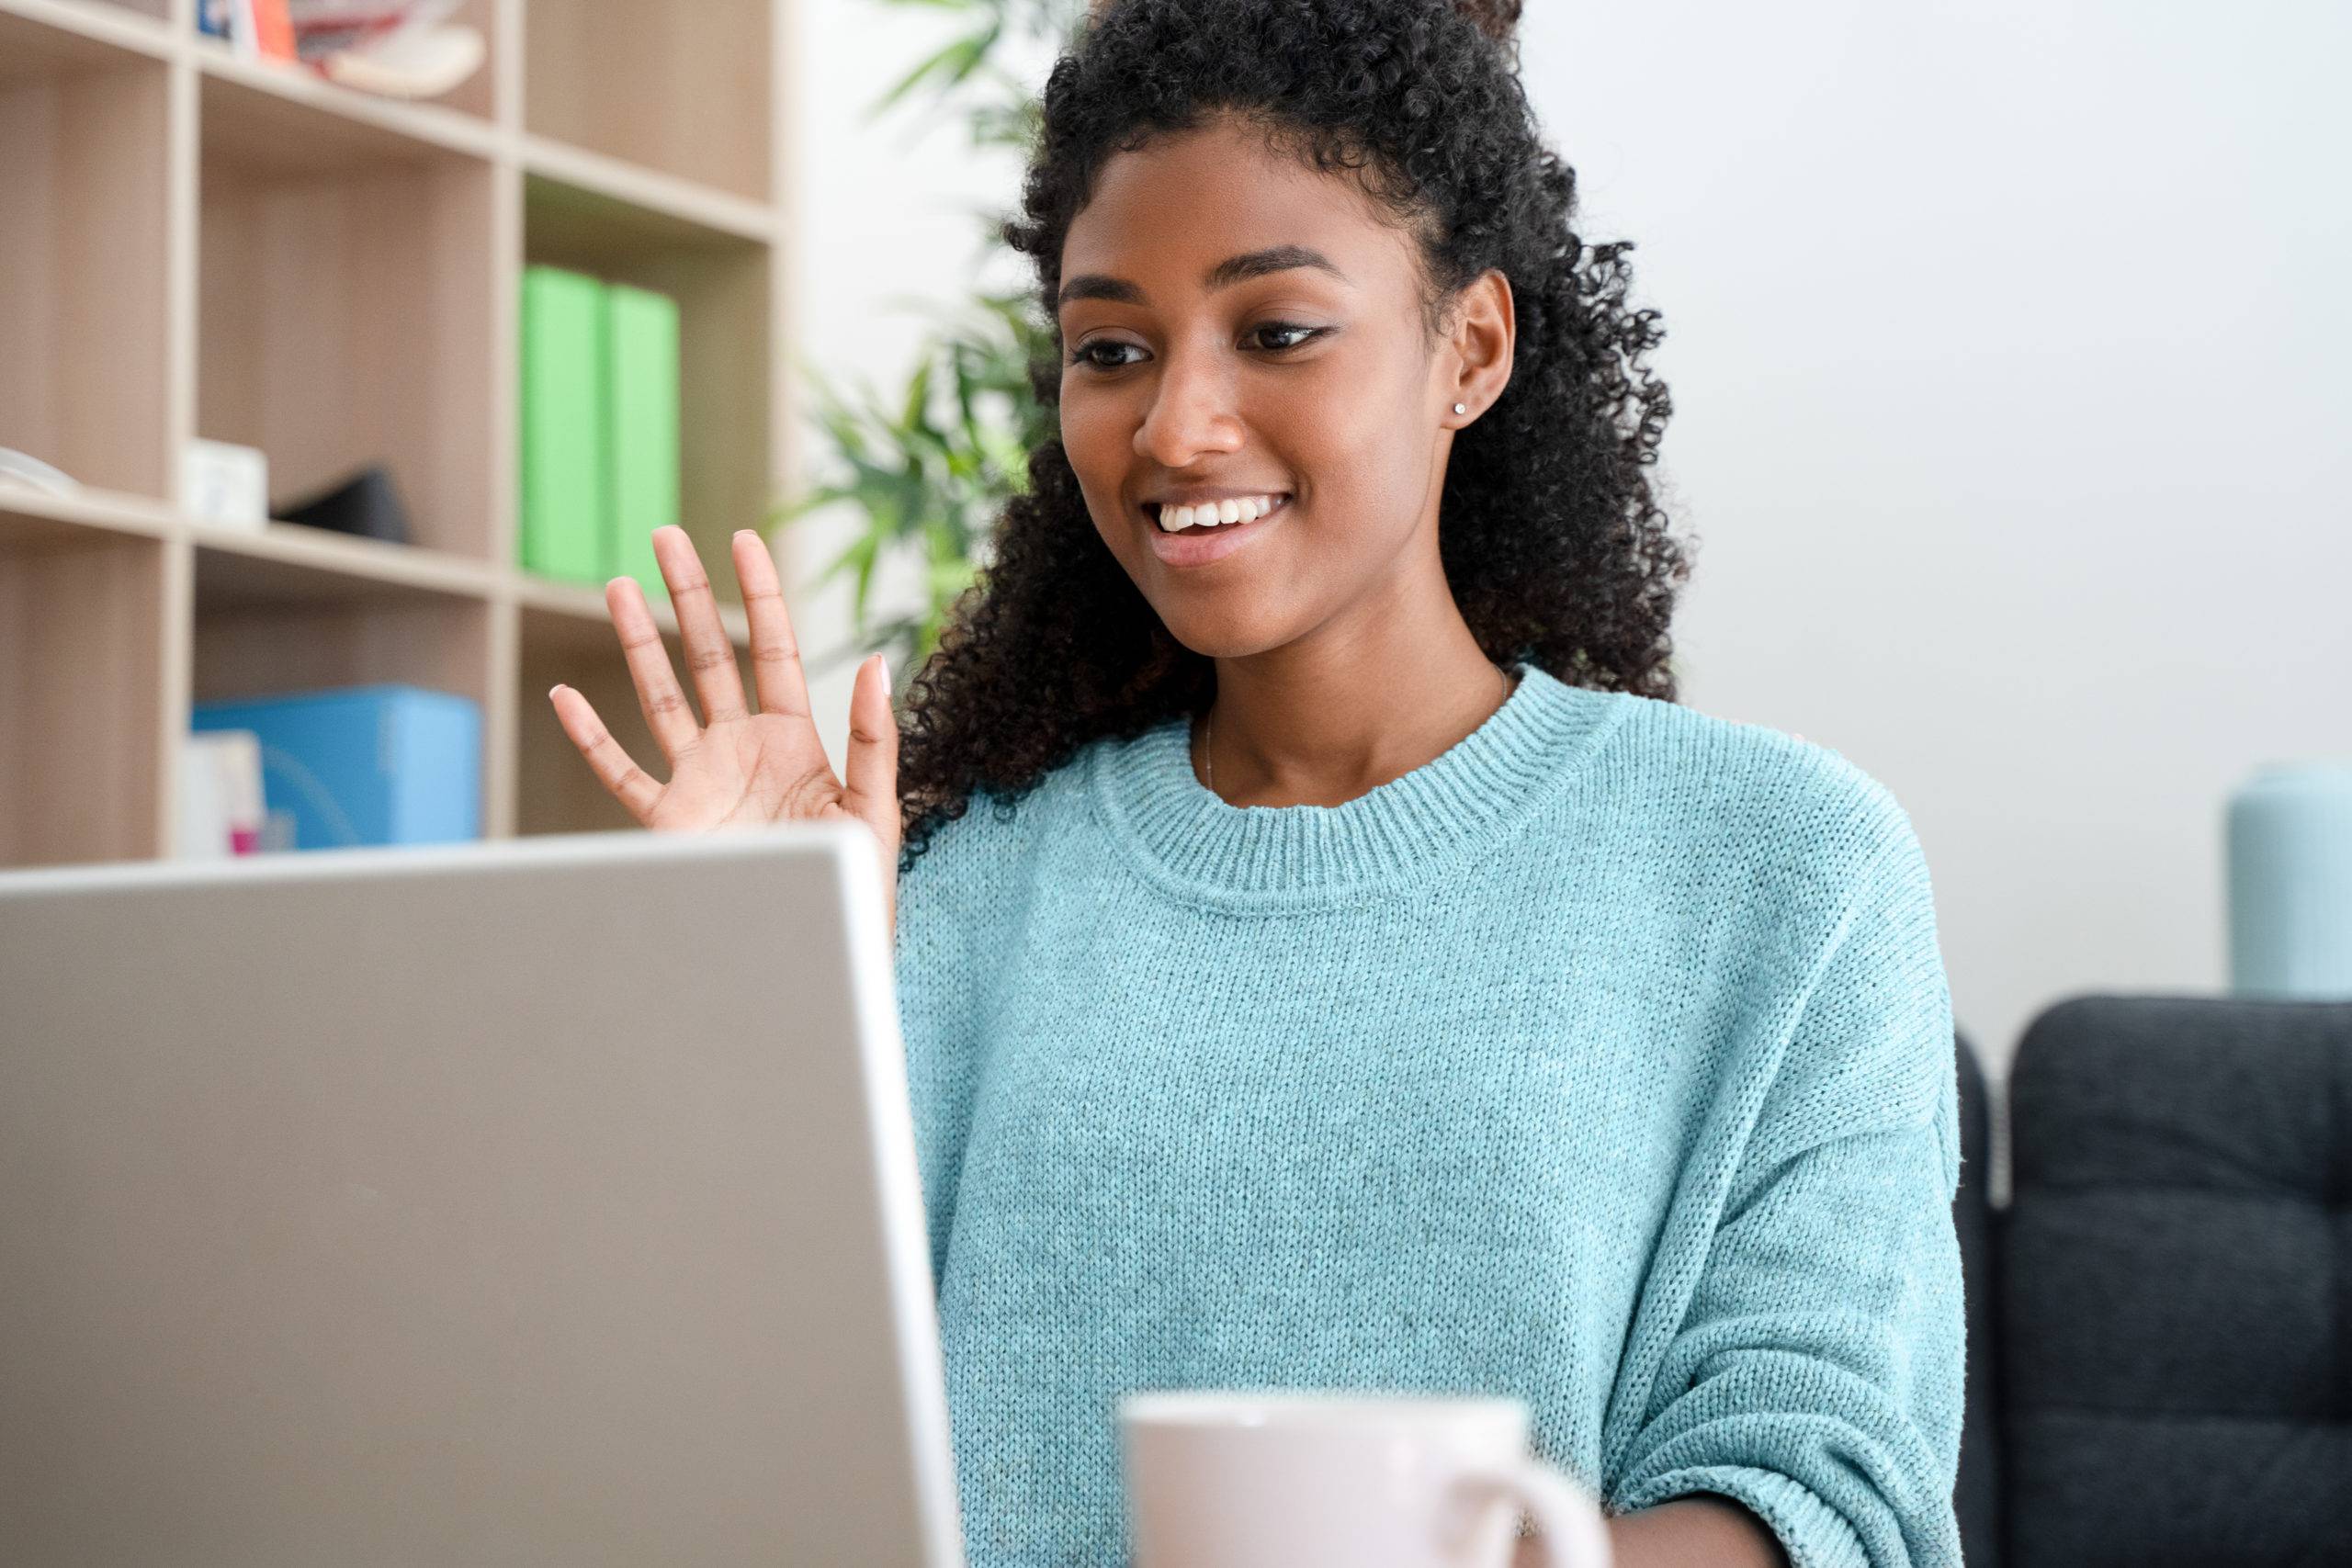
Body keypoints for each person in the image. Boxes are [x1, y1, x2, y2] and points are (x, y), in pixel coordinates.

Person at [548, 0, 1967, 1562]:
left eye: (1278, 330)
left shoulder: (1782, 868)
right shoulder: (953, 894)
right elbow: (725, 1454)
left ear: (1470, 348)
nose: (1174, 424)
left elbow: (1830, 1503)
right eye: (1110, 350)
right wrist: (763, 1002)